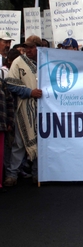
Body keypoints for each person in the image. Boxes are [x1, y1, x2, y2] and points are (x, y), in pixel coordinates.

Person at [4, 35, 43, 186]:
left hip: (44, 109)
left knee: (42, 143)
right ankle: (11, 175)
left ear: (38, 47)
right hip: (24, 107)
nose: (28, 50)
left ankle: (38, 174)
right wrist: (29, 92)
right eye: (26, 47)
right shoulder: (18, 62)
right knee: (19, 143)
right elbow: (10, 84)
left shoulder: (46, 61)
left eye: (31, 47)